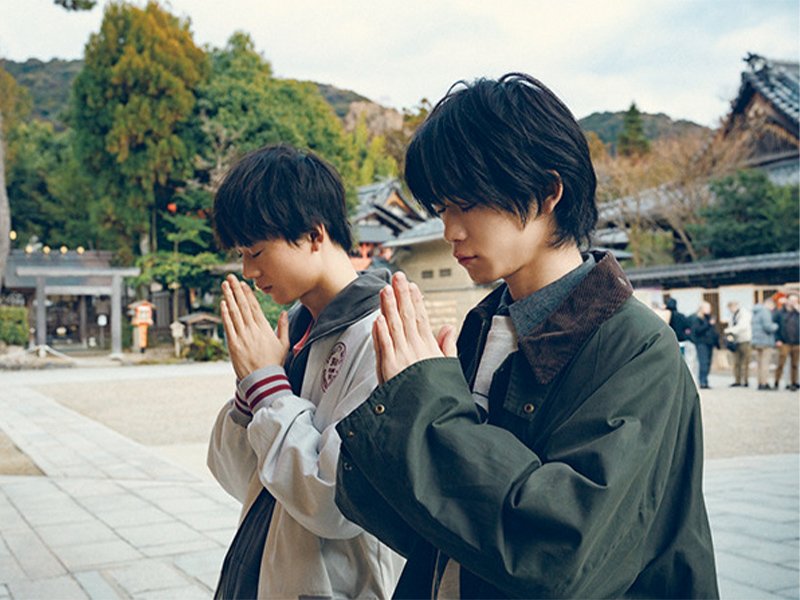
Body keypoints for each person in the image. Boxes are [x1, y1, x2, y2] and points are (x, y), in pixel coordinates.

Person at [334, 73, 718, 599]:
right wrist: (393, 412)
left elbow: (560, 549)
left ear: (546, 192)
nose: (450, 230)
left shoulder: (638, 349)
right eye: (442, 208)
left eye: (465, 203)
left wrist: (424, 409)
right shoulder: (481, 327)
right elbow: (427, 527)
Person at [207, 143, 403, 599]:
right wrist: (251, 391)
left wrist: (270, 392)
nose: (248, 270)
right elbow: (242, 478)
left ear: (315, 235)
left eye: (256, 251)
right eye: (241, 254)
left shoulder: (380, 334)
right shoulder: (293, 333)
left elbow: (335, 500)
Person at [751, 297, 779, 390]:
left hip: (757, 341)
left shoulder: (756, 312)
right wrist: (776, 326)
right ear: (769, 304)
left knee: (759, 363)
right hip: (765, 341)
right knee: (765, 363)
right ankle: (764, 382)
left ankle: (759, 382)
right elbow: (768, 326)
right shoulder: (765, 312)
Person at [774, 292, 800, 391]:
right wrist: (777, 339)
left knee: (794, 364)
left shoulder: (797, 312)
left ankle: (793, 383)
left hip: (797, 342)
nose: (793, 302)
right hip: (784, 341)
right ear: (787, 300)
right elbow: (775, 327)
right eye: (792, 300)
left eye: (795, 300)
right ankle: (776, 382)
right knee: (781, 363)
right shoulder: (780, 313)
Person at [691, 301, 719, 390]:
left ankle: (706, 381)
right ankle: (702, 381)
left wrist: (717, 343)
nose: (709, 310)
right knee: (703, 362)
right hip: (701, 343)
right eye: (707, 308)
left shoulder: (711, 318)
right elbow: (697, 331)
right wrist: (708, 324)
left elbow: (713, 332)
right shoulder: (698, 319)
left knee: (708, 363)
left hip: (710, 343)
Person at [724, 300, 752, 387]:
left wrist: (730, 330)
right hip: (735, 341)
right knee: (736, 362)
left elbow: (742, 326)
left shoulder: (744, 314)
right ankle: (737, 380)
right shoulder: (732, 316)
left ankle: (746, 380)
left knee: (745, 362)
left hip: (744, 340)